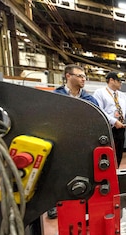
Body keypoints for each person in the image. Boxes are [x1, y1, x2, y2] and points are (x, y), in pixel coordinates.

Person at [48, 64, 99, 219]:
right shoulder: (56, 96)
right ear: (68, 76)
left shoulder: (89, 99)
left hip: (83, 142)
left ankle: (86, 202)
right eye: (80, 76)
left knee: (85, 172)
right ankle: (54, 204)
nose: (83, 79)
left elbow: (95, 119)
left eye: (84, 76)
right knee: (57, 172)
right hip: (60, 141)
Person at [93, 71, 126, 167]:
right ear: (111, 80)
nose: (121, 83)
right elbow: (100, 110)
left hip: (120, 128)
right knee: (107, 153)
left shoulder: (121, 95)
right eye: (119, 81)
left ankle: (116, 171)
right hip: (107, 128)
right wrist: (114, 121)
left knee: (118, 152)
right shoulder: (100, 93)